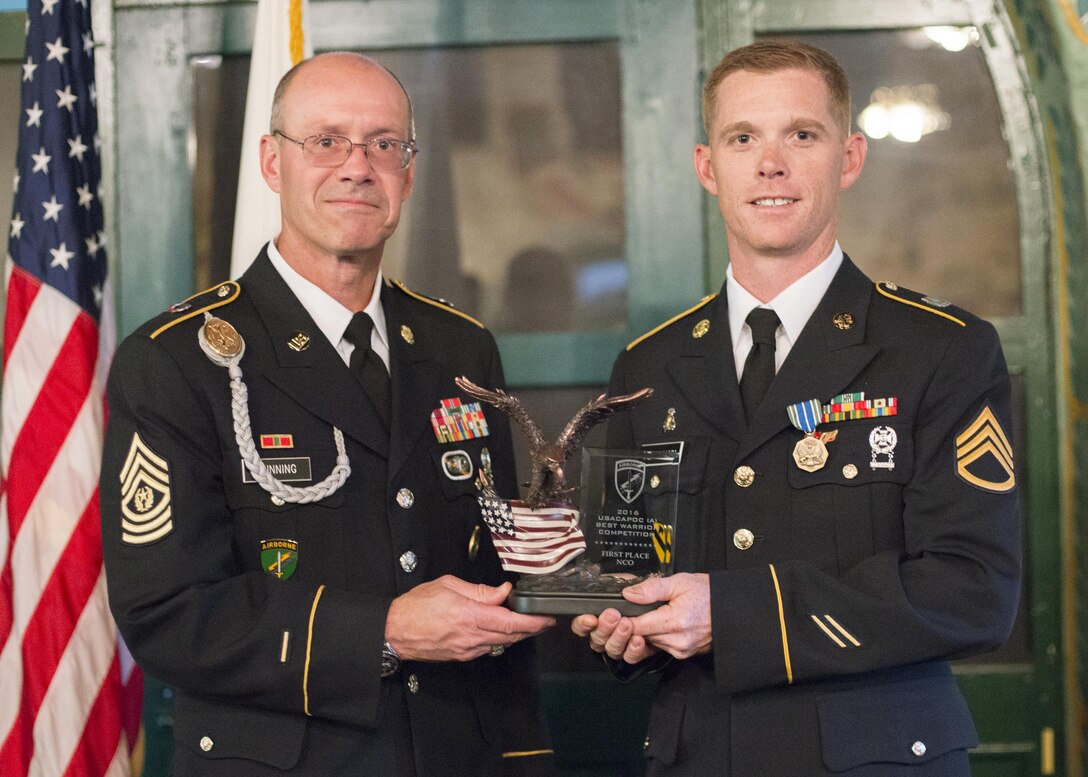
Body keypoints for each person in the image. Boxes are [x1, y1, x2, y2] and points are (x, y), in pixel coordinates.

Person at [100, 52, 557, 777]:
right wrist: (387, 630)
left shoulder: (458, 346)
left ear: (409, 171)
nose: (358, 166)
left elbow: (497, 568)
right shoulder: (176, 360)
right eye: (326, 141)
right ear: (272, 162)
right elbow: (169, 612)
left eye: (384, 144)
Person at [572, 39, 1020, 776]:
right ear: (707, 167)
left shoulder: (940, 350)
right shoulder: (649, 366)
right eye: (742, 137)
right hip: (701, 755)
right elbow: (628, 571)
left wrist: (735, 615)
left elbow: (973, 591)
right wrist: (621, 625)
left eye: (801, 135)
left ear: (849, 158)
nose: (769, 164)